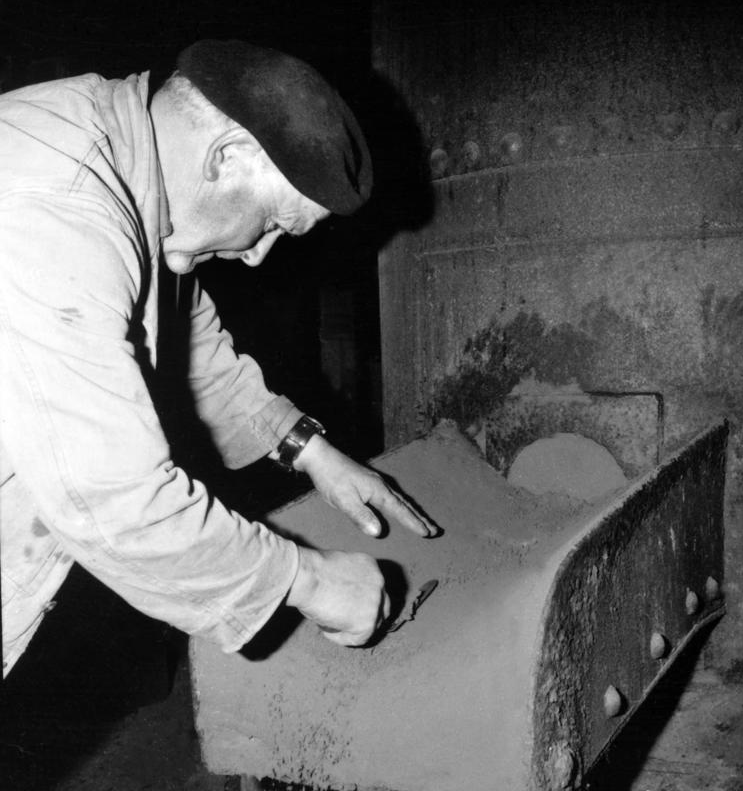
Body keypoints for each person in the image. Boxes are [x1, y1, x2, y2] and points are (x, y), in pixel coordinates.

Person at [0, 39, 438, 678]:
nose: (258, 256)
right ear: (227, 155)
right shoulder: (57, 207)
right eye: (275, 223)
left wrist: (313, 453)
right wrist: (309, 579)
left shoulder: (133, 169)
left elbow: (192, 353)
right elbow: (109, 495)